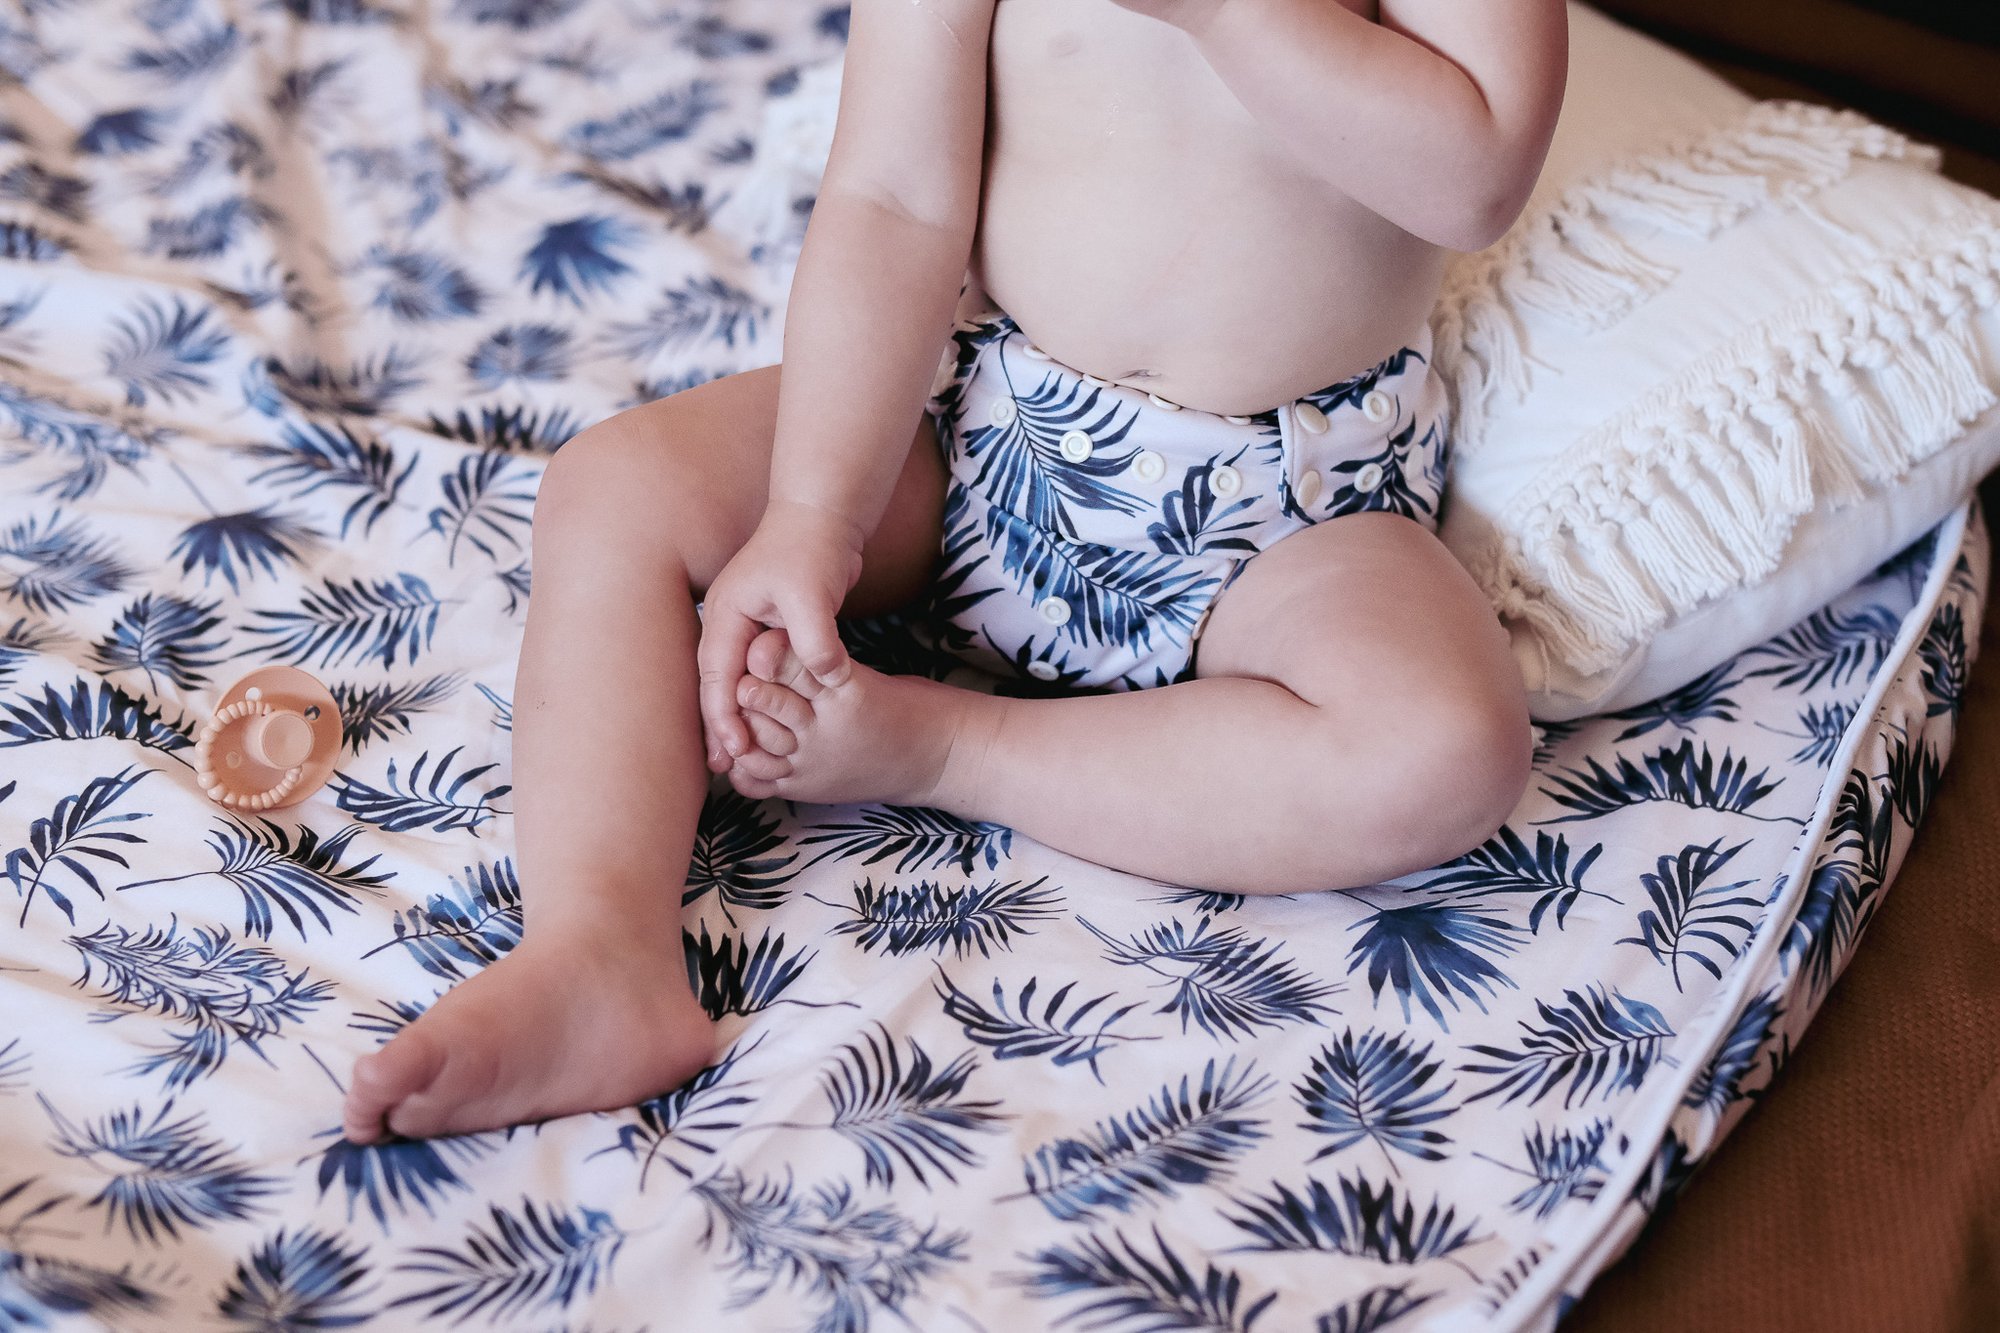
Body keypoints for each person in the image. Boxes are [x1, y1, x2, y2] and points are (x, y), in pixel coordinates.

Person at [341, 0, 1567, 1145]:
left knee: (1443, 749)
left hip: (1289, 507)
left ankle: (936, 744)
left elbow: (1470, 182)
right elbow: (891, 198)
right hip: (989, 431)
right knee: (615, 486)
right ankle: (597, 952)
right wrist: (814, 513)